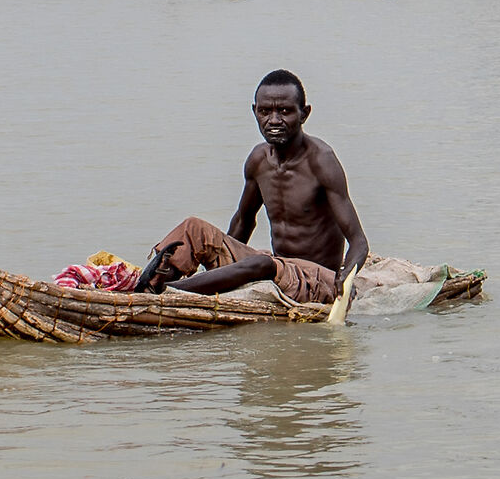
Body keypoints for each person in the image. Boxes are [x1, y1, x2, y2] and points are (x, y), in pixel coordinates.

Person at [136, 69, 368, 306]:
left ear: (304, 114)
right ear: (254, 111)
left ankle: (170, 293)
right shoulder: (258, 160)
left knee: (263, 264)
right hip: (280, 269)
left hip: (315, 280)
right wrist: (223, 266)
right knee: (193, 228)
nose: (274, 120)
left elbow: (359, 242)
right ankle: (150, 282)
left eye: (285, 111)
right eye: (265, 111)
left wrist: (345, 279)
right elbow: (243, 222)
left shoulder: (322, 161)